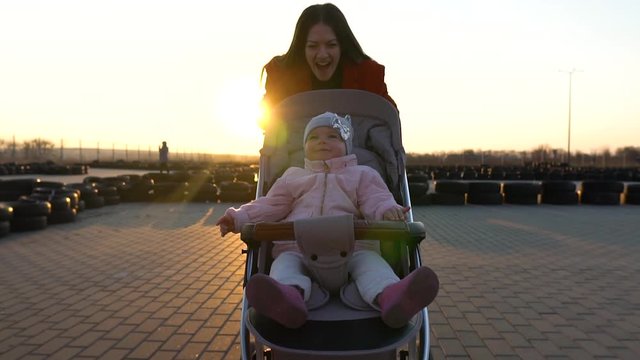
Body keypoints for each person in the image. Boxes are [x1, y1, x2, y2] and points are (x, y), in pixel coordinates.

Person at [216, 112, 438, 329]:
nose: (322, 141)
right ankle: (287, 299)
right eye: (314, 137)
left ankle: (392, 297)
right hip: (296, 248)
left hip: (354, 248)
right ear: (304, 146)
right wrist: (238, 217)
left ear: (347, 145)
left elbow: (376, 199)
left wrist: (388, 211)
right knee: (284, 266)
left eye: (332, 136)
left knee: (372, 266)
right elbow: (270, 205)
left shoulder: (363, 174)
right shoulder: (292, 177)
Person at [261, 3, 397, 122]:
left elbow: (389, 121)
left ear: (342, 47)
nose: (322, 55)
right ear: (302, 49)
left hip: (357, 150)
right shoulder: (282, 76)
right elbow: (269, 125)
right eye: (313, 46)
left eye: (331, 45)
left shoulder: (368, 75)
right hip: (297, 150)